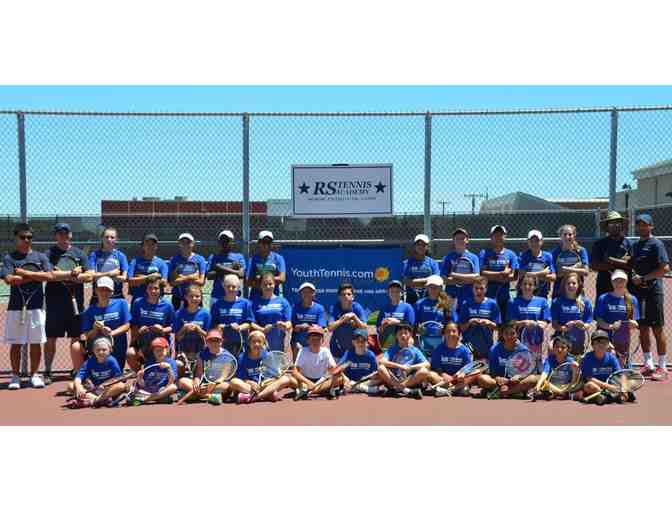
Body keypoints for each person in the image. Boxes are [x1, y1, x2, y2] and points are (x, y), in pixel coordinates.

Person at [1, 223, 54, 389]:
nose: (26, 240)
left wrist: (23, 273)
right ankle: (15, 377)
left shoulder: (40, 257)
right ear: (16, 238)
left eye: (29, 237)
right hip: (16, 307)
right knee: (16, 343)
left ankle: (34, 375)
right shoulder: (9, 258)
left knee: (36, 342)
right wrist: (37, 276)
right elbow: (10, 279)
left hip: (37, 307)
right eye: (22, 237)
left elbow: (49, 276)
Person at [43, 222, 93, 385]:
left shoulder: (79, 254)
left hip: (75, 304)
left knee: (76, 338)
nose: (63, 236)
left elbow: (89, 275)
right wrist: (73, 273)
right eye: (60, 233)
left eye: (66, 233)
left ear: (70, 235)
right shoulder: (48, 253)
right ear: (55, 236)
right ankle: (48, 371)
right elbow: (50, 275)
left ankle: (76, 369)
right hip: (54, 303)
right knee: (51, 338)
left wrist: (68, 274)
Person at [629, 214, 670, 380]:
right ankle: (649, 364)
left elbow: (664, 269)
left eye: (645, 224)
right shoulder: (635, 245)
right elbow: (631, 265)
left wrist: (644, 278)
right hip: (638, 293)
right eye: (639, 224)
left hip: (654, 292)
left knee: (657, 329)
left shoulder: (657, 244)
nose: (641, 227)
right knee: (643, 328)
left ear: (651, 226)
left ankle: (663, 367)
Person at [78, 276, 131, 371]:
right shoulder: (90, 311)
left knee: (117, 374)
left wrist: (111, 333)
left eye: (107, 290)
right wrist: (95, 329)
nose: (104, 292)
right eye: (101, 289)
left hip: (118, 347)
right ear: (96, 291)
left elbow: (127, 325)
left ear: (112, 292)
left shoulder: (121, 303)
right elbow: (87, 335)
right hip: (99, 349)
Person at [474, 321, 537, 399]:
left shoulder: (524, 350)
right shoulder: (494, 349)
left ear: (517, 334)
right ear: (502, 335)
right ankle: (514, 392)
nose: (509, 336)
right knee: (482, 379)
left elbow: (529, 371)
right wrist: (498, 378)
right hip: (498, 383)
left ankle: (503, 392)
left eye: (512, 333)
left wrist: (520, 376)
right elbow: (492, 372)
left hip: (516, 383)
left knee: (533, 379)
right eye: (506, 333)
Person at [126, 279, 175, 371]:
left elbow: (173, 326)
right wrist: (139, 331)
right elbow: (133, 324)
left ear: (160, 290)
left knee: (160, 366)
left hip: (160, 343)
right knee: (130, 353)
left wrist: (162, 330)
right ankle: (139, 375)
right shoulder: (138, 303)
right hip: (143, 342)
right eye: (150, 288)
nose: (153, 291)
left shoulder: (167, 305)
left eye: (156, 288)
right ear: (146, 289)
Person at [594, 270, 639, 369]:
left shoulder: (632, 300)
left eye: (622, 280)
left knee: (622, 369)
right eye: (616, 280)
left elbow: (634, 321)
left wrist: (634, 324)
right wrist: (611, 327)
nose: (619, 283)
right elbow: (599, 321)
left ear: (626, 282)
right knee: (607, 367)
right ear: (612, 282)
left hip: (623, 340)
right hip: (605, 339)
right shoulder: (603, 298)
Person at [230, 330, 290, 404]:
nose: (256, 344)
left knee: (286, 379)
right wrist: (250, 382)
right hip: (249, 387)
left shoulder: (268, 356)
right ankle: (267, 394)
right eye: (253, 341)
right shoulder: (242, 358)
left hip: (265, 385)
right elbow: (241, 378)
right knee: (234, 381)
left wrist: (269, 381)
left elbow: (273, 376)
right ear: (249, 343)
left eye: (259, 341)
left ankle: (255, 397)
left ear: (263, 343)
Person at [68, 337, 126, 407]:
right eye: (98, 350)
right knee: (71, 386)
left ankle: (93, 401)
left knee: (121, 386)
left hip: (108, 390)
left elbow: (118, 379)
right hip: (94, 390)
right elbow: (78, 377)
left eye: (104, 350)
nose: (101, 352)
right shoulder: (90, 362)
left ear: (110, 350)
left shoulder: (112, 361)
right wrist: (79, 387)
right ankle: (100, 400)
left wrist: (107, 385)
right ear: (93, 351)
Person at [506, 273, 550, 367]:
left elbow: (545, 322)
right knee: (520, 367)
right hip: (518, 341)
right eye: (525, 284)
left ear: (535, 287)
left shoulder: (542, 301)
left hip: (536, 341)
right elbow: (511, 322)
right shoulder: (513, 302)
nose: (527, 287)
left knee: (535, 367)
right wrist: (523, 323)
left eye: (530, 284)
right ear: (520, 286)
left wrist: (536, 323)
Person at [376, 322, 429, 399]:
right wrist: (400, 366)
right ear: (396, 336)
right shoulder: (392, 349)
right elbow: (381, 361)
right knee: (381, 368)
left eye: (406, 333)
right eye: (400, 333)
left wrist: (411, 367)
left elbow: (427, 364)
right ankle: (407, 391)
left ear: (410, 335)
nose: (403, 335)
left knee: (424, 371)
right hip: (394, 378)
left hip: (409, 379)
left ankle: (397, 389)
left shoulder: (415, 350)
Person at [292, 325, 345, 400]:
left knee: (340, 379)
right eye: (312, 339)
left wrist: (339, 372)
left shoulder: (326, 351)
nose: (315, 341)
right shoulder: (302, 351)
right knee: (287, 379)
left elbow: (333, 369)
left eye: (318, 339)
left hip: (321, 381)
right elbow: (295, 372)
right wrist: (308, 383)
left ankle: (308, 391)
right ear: (307, 340)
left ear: (322, 341)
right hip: (305, 381)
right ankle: (316, 390)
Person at [479, 225, 519, 320]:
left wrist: (493, 276)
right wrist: (502, 274)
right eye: (495, 235)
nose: (498, 237)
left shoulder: (511, 254)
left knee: (506, 322)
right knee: (490, 322)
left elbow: (514, 276)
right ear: (491, 237)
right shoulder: (484, 253)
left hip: (504, 295)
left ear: (505, 237)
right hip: (488, 294)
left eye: (501, 235)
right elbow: (482, 274)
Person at [590, 211, 632, 299]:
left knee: (626, 306)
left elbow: (632, 265)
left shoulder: (629, 244)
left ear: (622, 225)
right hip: (604, 285)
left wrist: (611, 261)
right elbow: (594, 265)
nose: (615, 225)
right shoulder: (599, 244)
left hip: (625, 285)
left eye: (618, 223)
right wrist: (622, 263)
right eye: (612, 223)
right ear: (607, 226)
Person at [187, 329, 235, 405]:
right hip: (204, 384)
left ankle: (198, 395)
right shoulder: (201, 354)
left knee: (227, 387)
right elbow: (199, 373)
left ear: (221, 341)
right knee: (182, 381)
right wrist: (196, 382)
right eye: (211, 340)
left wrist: (213, 384)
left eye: (217, 340)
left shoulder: (227, 356)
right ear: (206, 342)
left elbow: (224, 376)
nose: (214, 343)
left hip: (219, 383)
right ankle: (209, 396)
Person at [550, 272, 593, 358]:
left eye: (574, 283)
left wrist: (582, 325)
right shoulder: (557, 302)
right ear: (564, 285)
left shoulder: (585, 302)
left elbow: (588, 323)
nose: (571, 285)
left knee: (576, 362)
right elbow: (554, 324)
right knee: (550, 348)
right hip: (561, 341)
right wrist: (564, 328)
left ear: (578, 285)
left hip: (578, 341)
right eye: (568, 283)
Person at [458, 276, 501, 360]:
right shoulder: (466, 303)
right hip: (468, 344)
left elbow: (497, 327)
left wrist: (488, 323)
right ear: (472, 289)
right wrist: (470, 322)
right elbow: (461, 328)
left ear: (486, 289)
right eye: (476, 288)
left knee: (484, 366)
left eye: (481, 288)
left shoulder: (492, 304)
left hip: (486, 345)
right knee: (469, 364)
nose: (478, 291)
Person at [126, 337, 178, 406]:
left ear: (167, 349)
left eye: (161, 350)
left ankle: (144, 399)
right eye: (156, 351)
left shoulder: (171, 362)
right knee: (132, 387)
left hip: (161, 389)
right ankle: (156, 398)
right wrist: (140, 377)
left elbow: (172, 381)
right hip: (148, 390)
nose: (159, 352)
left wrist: (169, 368)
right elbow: (143, 384)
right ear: (153, 352)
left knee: (173, 387)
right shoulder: (149, 363)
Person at [414, 275, 458, 355]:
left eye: (436, 287)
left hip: (443, 340)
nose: (433, 289)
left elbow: (453, 323)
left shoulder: (447, 304)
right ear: (427, 288)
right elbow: (414, 324)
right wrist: (419, 329)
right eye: (431, 287)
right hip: (424, 340)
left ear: (441, 288)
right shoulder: (419, 304)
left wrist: (445, 330)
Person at [173, 284, 211, 376]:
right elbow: (176, 337)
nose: (194, 299)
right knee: (180, 369)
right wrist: (184, 328)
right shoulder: (179, 313)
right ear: (186, 297)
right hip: (183, 350)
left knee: (198, 375)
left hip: (200, 350)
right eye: (191, 296)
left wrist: (198, 329)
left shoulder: (205, 314)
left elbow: (209, 336)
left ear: (201, 298)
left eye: (197, 296)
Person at [427, 321, 473, 397]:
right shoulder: (438, 349)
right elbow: (436, 367)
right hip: (443, 379)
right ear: (444, 334)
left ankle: (448, 390)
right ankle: (455, 390)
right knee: (430, 374)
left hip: (459, 381)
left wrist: (462, 374)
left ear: (459, 334)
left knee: (476, 373)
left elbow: (468, 367)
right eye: (448, 331)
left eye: (454, 331)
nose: (451, 334)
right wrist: (443, 374)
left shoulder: (465, 350)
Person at [210, 274, 254, 352]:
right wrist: (224, 326)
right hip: (223, 343)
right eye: (228, 286)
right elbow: (214, 324)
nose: (231, 289)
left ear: (238, 287)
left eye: (234, 287)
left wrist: (239, 327)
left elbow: (249, 323)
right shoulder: (217, 304)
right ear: (223, 287)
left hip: (240, 342)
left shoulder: (245, 303)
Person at [250, 272, 292, 353]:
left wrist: (284, 325)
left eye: (270, 284)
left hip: (279, 343)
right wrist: (262, 329)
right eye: (265, 284)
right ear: (260, 285)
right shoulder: (254, 302)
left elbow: (289, 323)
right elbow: (251, 323)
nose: (268, 287)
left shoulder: (283, 301)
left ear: (275, 284)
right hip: (260, 343)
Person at [580, 330, 625, 405]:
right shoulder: (587, 358)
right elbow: (589, 378)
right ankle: (610, 396)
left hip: (610, 385)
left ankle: (605, 397)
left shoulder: (612, 357)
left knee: (623, 381)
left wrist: (623, 387)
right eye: (598, 342)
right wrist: (608, 386)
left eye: (604, 342)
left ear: (608, 345)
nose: (601, 344)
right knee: (590, 385)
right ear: (592, 345)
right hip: (596, 386)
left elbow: (619, 374)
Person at [440, 228, 480, 309]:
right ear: (453, 241)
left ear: (467, 240)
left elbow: (476, 277)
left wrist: (454, 275)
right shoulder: (448, 257)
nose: (460, 241)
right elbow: (444, 279)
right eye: (457, 238)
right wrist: (467, 280)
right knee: (450, 316)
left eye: (462, 238)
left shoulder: (474, 257)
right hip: (451, 295)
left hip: (468, 295)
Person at [88, 226, 128, 306]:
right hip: (98, 297)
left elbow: (124, 278)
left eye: (112, 237)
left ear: (116, 239)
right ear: (102, 238)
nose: (109, 239)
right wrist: (110, 274)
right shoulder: (94, 255)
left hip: (116, 296)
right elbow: (91, 276)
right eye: (106, 237)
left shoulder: (121, 256)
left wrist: (100, 276)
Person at [206, 230, 246, 308]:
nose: (224, 243)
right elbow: (209, 276)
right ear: (219, 242)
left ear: (232, 242)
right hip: (217, 296)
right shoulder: (213, 257)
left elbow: (241, 274)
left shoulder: (239, 257)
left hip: (235, 296)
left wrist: (220, 268)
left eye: (227, 240)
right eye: (222, 241)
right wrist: (232, 268)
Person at [327, 282, 368, 359]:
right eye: (343, 294)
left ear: (353, 297)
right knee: (337, 367)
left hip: (354, 349)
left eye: (349, 294)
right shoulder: (335, 307)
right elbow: (330, 328)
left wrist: (354, 317)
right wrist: (343, 319)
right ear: (339, 297)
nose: (346, 296)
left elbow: (364, 327)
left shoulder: (357, 307)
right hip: (337, 348)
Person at [127, 233, 168, 307]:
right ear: (143, 246)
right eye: (147, 244)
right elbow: (130, 281)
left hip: (155, 302)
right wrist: (151, 277)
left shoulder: (161, 263)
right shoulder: (135, 261)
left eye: (153, 244)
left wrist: (140, 278)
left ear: (156, 247)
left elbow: (164, 282)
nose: (150, 246)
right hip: (138, 301)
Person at [531, 334, 578, 401]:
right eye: (557, 347)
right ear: (553, 348)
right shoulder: (549, 360)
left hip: (565, 386)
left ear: (568, 350)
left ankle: (556, 393)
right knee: (543, 382)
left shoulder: (571, 361)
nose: (559, 350)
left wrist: (575, 369)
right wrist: (538, 386)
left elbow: (574, 382)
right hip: (552, 386)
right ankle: (560, 393)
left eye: (563, 347)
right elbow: (545, 373)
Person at [168, 233, 207, 311]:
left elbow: (201, 281)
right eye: (183, 243)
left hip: (195, 297)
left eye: (188, 242)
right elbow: (172, 283)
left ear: (193, 243)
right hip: (178, 297)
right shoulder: (174, 260)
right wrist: (191, 277)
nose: (185, 245)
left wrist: (181, 278)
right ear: (179, 244)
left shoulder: (200, 259)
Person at [551, 224, 590, 299]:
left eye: (570, 234)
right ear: (560, 236)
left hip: (577, 289)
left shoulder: (581, 251)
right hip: (559, 290)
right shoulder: (556, 252)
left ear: (574, 235)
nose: (567, 237)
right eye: (565, 234)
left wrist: (565, 269)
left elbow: (586, 272)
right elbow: (557, 274)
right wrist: (576, 266)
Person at [246, 230, 286, 300]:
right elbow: (248, 281)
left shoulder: (278, 258)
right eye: (264, 242)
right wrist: (264, 286)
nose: (266, 245)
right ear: (259, 243)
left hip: (273, 298)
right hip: (256, 298)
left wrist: (263, 278)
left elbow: (282, 278)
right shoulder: (253, 259)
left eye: (268, 242)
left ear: (272, 244)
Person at [376, 280, 416, 350]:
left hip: (403, 342)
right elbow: (378, 328)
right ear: (388, 293)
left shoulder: (407, 307)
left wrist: (396, 322)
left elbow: (411, 326)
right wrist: (382, 326)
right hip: (387, 342)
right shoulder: (384, 308)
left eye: (397, 291)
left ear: (402, 293)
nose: (394, 293)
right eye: (392, 291)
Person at [339, 328, 381, 394]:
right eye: (357, 341)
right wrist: (345, 379)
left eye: (363, 341)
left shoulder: (371, 355)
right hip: (349, 381)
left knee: (381, 378)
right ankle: (365, 389)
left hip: (365, 381)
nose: (360, 344)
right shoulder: (348, 353)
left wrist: (370, 376)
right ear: (353, 342)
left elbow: (375, 372)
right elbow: (339, 369)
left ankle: (357, 387)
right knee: (339, 378)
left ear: (367, 342)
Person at [402, 234, 440, 305]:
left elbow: (435, 280)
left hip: (429, 297)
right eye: (418, 244)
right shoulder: (407, 263)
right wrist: (428, 280)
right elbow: (406, 282)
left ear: (427, 247)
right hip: (411, 298)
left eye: (423, 245)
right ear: (414, 246)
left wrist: (414, 282)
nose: (421, 247)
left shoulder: (433, 263)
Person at [291, 282, 327, 354]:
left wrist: (307, 326)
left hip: (314, 342)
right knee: (297, 349)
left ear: (314, 294)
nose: (306, 294)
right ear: (300, 294)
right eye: (304, 292)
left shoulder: (319, 308)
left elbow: (321, 327)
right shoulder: (295, 308)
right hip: (298, 343)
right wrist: (299, 327)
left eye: (309, 292)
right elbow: (292, 326)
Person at [518, 230, 556, 299]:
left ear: (542, 241)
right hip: (525, 294)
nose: (534, 243)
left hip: (542, 294)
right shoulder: (524, 255)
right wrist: (542, 273)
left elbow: (553, 277)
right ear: (528, 242)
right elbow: (521, 274)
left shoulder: (548, 256)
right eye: (531, 241)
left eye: (537, 241)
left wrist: (531, 274)